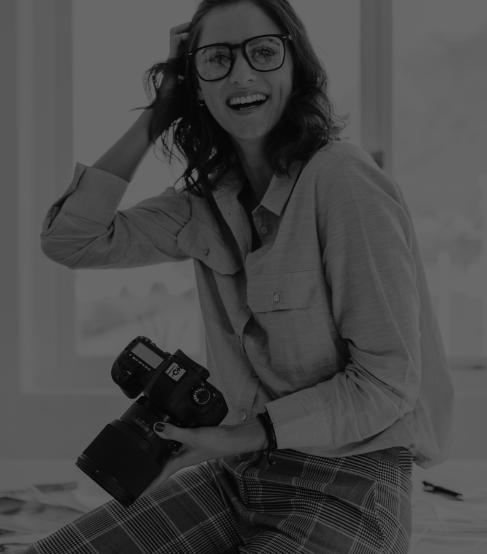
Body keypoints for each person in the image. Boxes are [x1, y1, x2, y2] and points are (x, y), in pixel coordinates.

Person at [31, 0, 453, 552]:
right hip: (239, 479)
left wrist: (233, 436)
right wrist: (160, 110)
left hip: (350, 487)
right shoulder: (206, 202)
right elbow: (72, 240)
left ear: (295, 66)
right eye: (217, 60)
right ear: (196, 85)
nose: (243, 74)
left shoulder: (343, 180)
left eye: (263, 52)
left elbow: (387, 383)